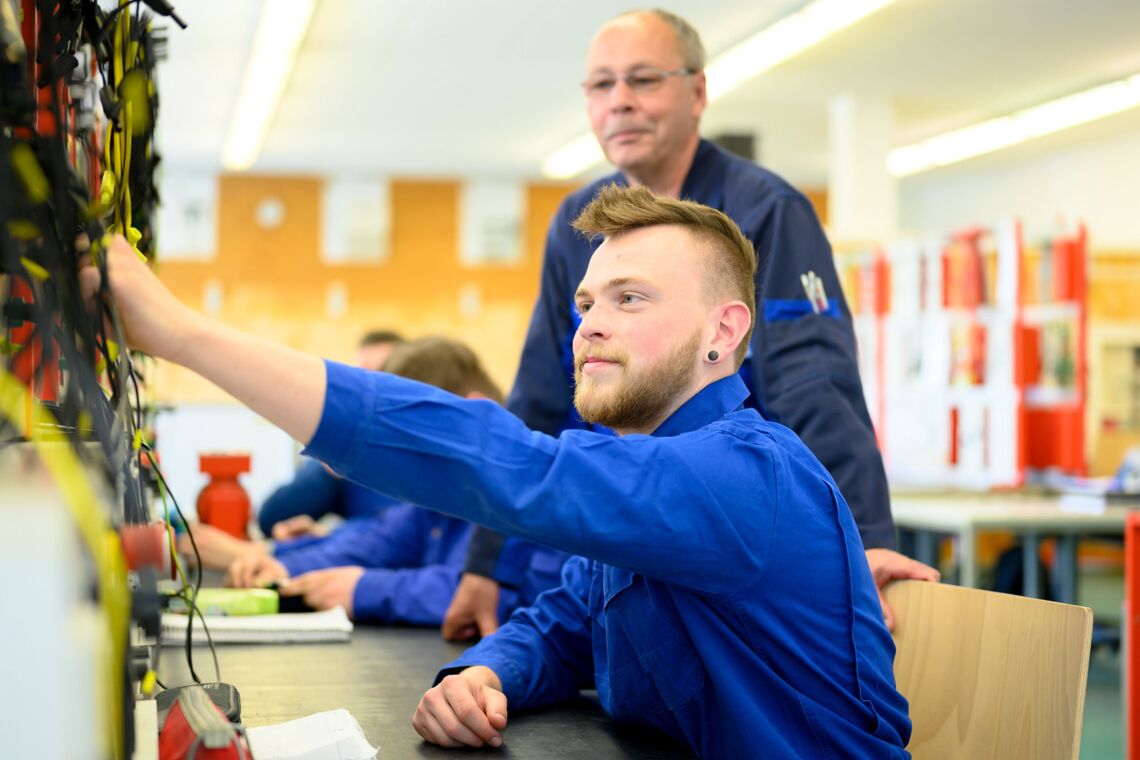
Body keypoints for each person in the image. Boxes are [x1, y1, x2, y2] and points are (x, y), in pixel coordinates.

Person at [81, 185, 911, 757]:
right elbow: (565, 626)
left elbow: (506, 466)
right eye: (586, 303)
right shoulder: (640, 472)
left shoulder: (744, 474)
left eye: (631, 299)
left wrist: (183, 335)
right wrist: (486, 672)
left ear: (723, 332)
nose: (589, 325)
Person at [444, 8, 935, 641]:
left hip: (742, 531)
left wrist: (863, 540)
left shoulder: (769, 212)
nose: (619, 102)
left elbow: (817, 386)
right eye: (601, 85)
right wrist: (488, 566)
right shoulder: (579, 222)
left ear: (698, 92)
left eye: (644, 80)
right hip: (624, 529)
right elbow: (539, 398)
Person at [224, 337, 569, 625]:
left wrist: (363, 589)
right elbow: (378, 543)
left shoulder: (544, 486)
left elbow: (507, 594)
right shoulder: (442, 497)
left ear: (473, 410)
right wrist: (281, 565)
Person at [257, 329, 405, 540]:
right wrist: (327, 469)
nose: (370, 390)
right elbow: (272, 520)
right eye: (362, 378)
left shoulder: (414, 453)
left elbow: (403, 534)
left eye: (381, 375)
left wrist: (332, 537)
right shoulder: (352, 450)